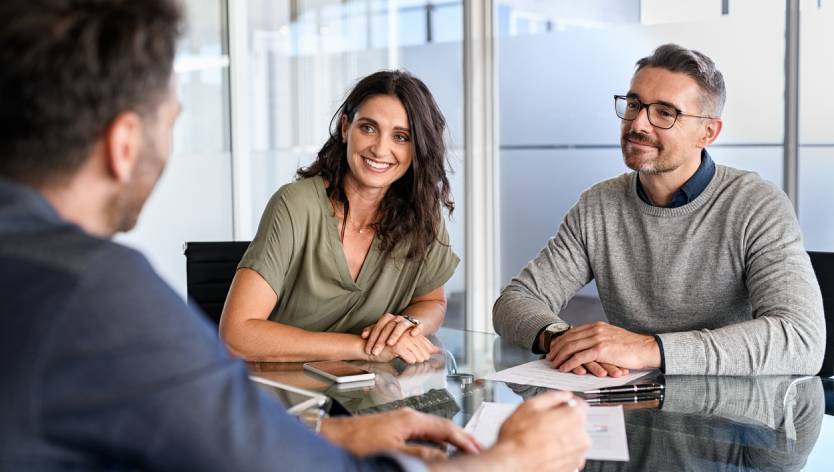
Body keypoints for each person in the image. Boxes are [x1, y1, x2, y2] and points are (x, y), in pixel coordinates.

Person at [0, 1, 590, 471]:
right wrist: (514, 459)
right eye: (174, 120)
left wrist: (343, 426)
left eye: (402, 137)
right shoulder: (100, 298)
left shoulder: (44, 275)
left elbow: (199, 439)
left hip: (328, 411)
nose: (383, 148)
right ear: (124, 143)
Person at [493, 43, 825, 377]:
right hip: (628, 404)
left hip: (735, 416)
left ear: (708, 132)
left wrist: (649, 348)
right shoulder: (598, 205)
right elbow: (515, 301)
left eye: (665, 113)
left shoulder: (756, 205)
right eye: (634, 104)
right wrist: (562, 339)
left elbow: (800, 339)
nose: (638, 124)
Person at [220, 71, 459, 364]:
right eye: (369, 128)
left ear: (417, 147)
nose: (381, 148)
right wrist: (364, 349)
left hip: (367, 396)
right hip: (281, 393)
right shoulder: (295, 205)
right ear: (346, 128)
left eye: (401, 136)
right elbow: (236, 335)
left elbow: (431, 301)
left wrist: (408, 324)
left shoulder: (422, 213)